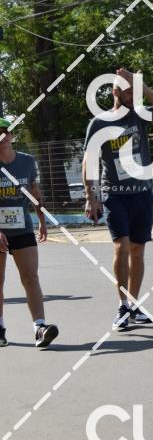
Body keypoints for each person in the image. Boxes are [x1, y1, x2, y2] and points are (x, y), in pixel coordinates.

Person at [82, 68, 153, 331]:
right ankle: (122, 306)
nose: (132, 96)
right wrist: (90, 196)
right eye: (128, 92)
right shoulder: (99, 123)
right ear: (115, 92)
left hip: (141, 193)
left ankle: (133, 304)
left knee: (137, 250)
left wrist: (142, 85)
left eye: (135, 92)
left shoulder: (139, 115)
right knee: (121, 246)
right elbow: (89, 159)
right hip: (114, 194)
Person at [0, 117, 59, 348]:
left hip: (21, 228)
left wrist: (41, 221)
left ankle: (40, 328)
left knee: (30, 277)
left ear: (12, 136)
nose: (2, 136)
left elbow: (35, 193)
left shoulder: (27, 162)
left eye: (5, 131)